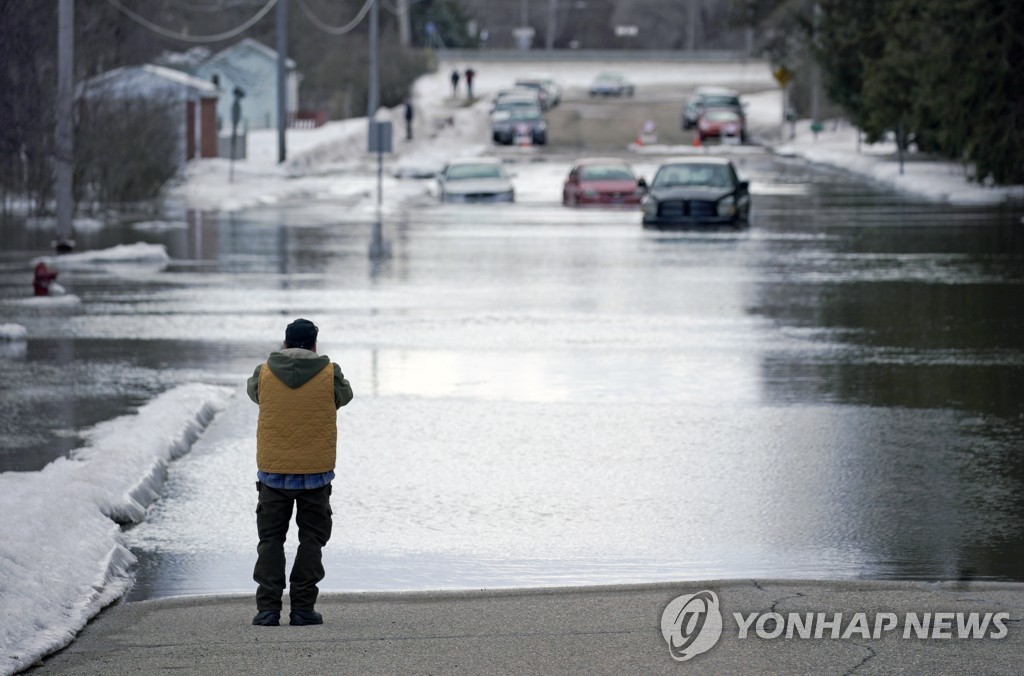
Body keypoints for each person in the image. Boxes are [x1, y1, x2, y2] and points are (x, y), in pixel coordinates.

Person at [246, 318, 354, 627]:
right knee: (311, 539)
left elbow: (256, 396)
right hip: (315, 473)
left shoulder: (264, 372)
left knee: (270, 540)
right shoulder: (330, 372)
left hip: (272, 473)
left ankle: (267, 610)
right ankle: (303, 609)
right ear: (315, 343)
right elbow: (343, 398)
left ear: (285, 342)